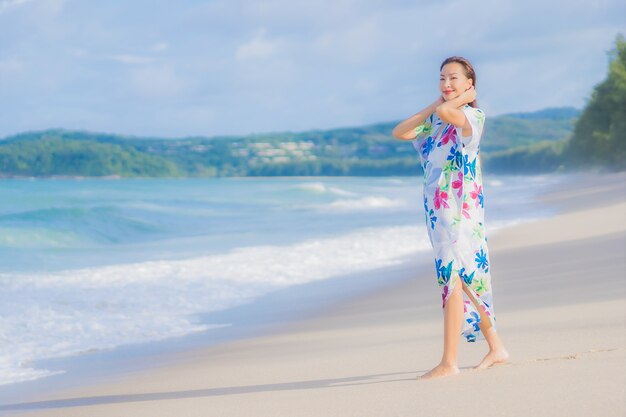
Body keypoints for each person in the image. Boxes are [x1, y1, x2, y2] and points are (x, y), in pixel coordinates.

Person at [391, 56, 510, 380]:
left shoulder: (472, 116)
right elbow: (401, 131)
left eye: (454, 78)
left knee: (453, 279)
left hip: (460, 211)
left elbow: (448, 111)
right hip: (438, 211)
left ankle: (449, 362)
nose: (446, 84)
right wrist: (437, 101)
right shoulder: (438, 121)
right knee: (465, 277)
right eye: (442, 78)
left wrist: (459, 100)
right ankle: (496, 347)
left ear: (470, 84)